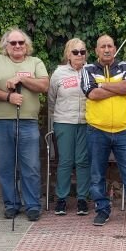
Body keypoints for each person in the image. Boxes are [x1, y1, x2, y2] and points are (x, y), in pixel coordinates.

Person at [80, 35, 126, 230]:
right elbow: (91, 94)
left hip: (124, 131)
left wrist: (102, 85)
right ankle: (102, 210)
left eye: (110, 46)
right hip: (97, 130)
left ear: (115, 48)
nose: (107, 49)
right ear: (96, 51)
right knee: (97, 174)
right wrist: (116, 89)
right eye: (103, 46)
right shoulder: (87, 69)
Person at [0, 28, 49, 221]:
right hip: (1, 121)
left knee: (31, 166)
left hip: (28, 121)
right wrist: (8, 97)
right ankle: (11, 204)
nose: (17, 46)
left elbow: (44, 85)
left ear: (26, 45)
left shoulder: (35, 62)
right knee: (5, 166)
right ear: (6, 46)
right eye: (13, 43)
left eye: (21, 43)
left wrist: (22, 78)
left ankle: (32, 205)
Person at [47, 38, 90, 216]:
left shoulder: (91, 71)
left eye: (82, 51)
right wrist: (57, 118)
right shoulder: (59, 73)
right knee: (65, 161)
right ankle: (62, 199)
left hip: (87, 121)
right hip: (64, 121)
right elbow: (51, 99)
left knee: (83, 161)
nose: (79, 55)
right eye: (75, 52)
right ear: (68, 54)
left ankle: (82, 199)